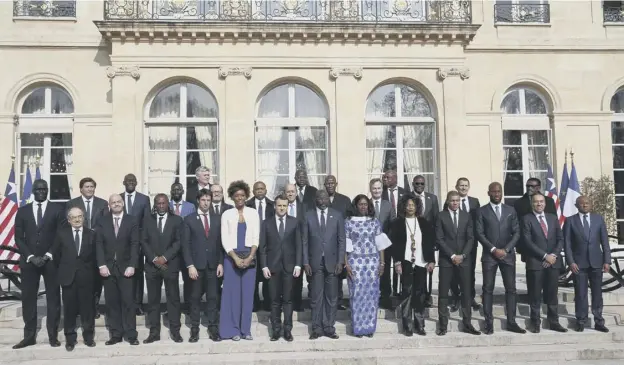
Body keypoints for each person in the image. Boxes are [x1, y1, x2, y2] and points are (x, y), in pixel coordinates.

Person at [13, 179, 63, 349]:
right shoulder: (22, 211)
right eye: (39, 189)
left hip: (51, 261)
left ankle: (52, 335)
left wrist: (48, 255)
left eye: (45, 189)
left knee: (53, 298)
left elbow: (60, 235)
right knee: (28, 298)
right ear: (33, 191)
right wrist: (30, 256)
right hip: (29, 262)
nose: (42, 191)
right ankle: (29, 336)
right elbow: (19, 237)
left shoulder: (58, 209)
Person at [475, 182, 525, 335]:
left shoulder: (510, 210)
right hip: (489, 256)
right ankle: (488, 322)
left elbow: (517, 232)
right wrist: (493, 249)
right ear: (489, 192)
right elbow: (479, 233)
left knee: (511, 289)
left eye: (499, 191)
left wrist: (507, 249)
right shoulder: (481, 211)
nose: (497, 194)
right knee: (487, 289)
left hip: (507, 255)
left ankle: (511, 321)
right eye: (494, 191)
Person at [96, 194, 140, 345]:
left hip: (126, 268)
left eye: (118, 202)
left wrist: (132, 265)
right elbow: (99, 244)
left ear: (123, 203)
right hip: (108, 268)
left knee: (128, 302)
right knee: (112, 302)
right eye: (113, 202)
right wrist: (101, 265)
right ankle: (116, 334)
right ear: (109, 205)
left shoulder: (132, 220)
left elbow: (135, 244)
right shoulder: (102, 221)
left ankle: (131, 334)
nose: (116, 204)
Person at [344, 194, 391, 338]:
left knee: (371, 296)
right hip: (355, 263)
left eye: (365, 204)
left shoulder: (374, 222)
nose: (363, 206)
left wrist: (382, 263)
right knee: (357, 295)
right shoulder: (349, 222)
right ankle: (358, 328)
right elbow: (346, 246)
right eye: (360, 204)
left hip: (372, 264)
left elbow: (380, 245)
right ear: (356, 206)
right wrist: (346, 264)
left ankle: (369, 328)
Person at [389, 193, 435, 337]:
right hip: (405, 262)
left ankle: (420, 325)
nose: (410, 207)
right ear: (404, 206)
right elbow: (395, 244)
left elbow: (429, 242)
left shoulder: (424, 222)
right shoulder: (397, 223)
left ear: (417, 206)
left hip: (421, 262)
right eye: (408, 205)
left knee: (420, 294)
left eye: (413, 205)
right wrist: (397, 262)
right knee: (407, 293)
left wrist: (431, 260)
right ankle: (407, 326)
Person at [302, 190, 346, 340]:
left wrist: (341, 261)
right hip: (314, 263)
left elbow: (342, 241)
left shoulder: (337, 215)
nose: (322, 200)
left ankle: (329, 327)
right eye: (319, 198)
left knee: (332, 297)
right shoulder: (308, 215)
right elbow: (304, 241)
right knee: (316, 296)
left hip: (333, 263)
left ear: (329, 199)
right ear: (316, 199)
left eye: (325, 197)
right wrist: (305, 262)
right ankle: (316, 328)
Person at [435, 191, 480, 336]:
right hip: (447, 260)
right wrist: (453, 255)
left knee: (466, 293)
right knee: (443, 293)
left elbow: (471, 238)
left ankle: (467, 323)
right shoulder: (441, 216)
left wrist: (463, 255)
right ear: (448, 201)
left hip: (464, 260)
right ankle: (443, 325)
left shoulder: (467, 216)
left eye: (457, 201)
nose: (455, 203)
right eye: (452, 200)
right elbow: (440, 238)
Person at [564, 196, 611, 333]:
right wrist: (571, 261)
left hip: (597, 262)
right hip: (579, 264)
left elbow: (605, 242)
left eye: (587, 203)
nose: (585, 205)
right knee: (580, 293)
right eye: (582, 203)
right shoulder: (570, 220)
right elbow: (567, 244)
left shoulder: (598, 219)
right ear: (577, 205)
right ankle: (581, 321)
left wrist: (607, 260)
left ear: (591, 204)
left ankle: (598, 321)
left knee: (597, 293)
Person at [258, 194, 302, 342]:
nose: (282, 208)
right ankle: (276, 330)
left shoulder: (294, 222)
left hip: (289, 267)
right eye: (279, 205)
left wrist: (298, 264)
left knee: (288, 300)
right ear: (275, 206)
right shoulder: (266, 223)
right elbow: (262, 247)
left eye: (284, 205)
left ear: (287, 206)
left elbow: (299, 245)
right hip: (272, 267)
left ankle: (288, 330)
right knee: (274, 300)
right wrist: (264, 266)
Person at [220, 181, 260, 341]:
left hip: (250, 256)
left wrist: (250, 257)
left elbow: (256, 237)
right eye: (236, 196)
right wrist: (235, 258)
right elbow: (225, 238)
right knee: (233, 295)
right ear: (232, 197)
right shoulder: (227, 214)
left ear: (246, 196)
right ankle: (233, 330)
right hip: (231, 258)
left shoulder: (253, 213)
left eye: (242, 195)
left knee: (247, 295)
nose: (240, 198)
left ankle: (246, 330)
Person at [522, 192, 567, 333]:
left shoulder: (553, 218)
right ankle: (535, 322)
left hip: (553, 262)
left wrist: (553, 255)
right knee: (535, 294)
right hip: (536, 262)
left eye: (541, 201)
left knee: (552, 294)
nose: (539, 204)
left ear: (545, 203)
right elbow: (527, 241)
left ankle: (554, 321)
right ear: (532, 203)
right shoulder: (526, 219)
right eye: (536, 202)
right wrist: (544, 256)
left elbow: (560, 239)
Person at [141, 194, 184, 344]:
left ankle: (175, 331)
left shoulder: (177, 220)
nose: (160, 206)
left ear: (168, 204)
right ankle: (154, 332)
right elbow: (144, 241)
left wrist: (164, 258)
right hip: (152, 266)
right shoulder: (147, 220)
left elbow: (178, 242)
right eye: (158, 203)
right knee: (153, 300)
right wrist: (154, 259)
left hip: (169, 265)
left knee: (173, 299)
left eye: (163, 203)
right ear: (154, 204)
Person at [183, 188, 224, 342]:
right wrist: (190, 265)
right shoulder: (189, 219)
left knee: (213, 297)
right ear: (198, 201)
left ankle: (213, 328)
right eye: (203, 200)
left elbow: (221, 243)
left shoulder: (217, 219)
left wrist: (221, 263)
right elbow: (185, 245)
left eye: (208, 200)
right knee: (194, 298)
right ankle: (194, 329)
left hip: (213, 266)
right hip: (196, 267)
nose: (206, 203)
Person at [53, 207, 97, 351]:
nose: (77, 219)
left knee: (87, 309)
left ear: (84, 218)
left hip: (86, 278)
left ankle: (88, 337)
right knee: (70, 310)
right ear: (69, 220)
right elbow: (57, 256)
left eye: (80, 216)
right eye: (74, 217)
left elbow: (95, 257)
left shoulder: (91, 234)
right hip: (68, 278)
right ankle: (70, 339)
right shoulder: (61, 234)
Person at [66, 177, 108, 319]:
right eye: (87, 186)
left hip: (96, 244)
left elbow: (104, 223)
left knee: (96, 278)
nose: (90, 189)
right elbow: (69, 223)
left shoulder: (102, 204)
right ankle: (78, 307)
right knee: (79, 277)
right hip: (78, 244)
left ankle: (94, 307)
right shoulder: (72, 203)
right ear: (81, 189)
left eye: (92, 186)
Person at [444, 177, 481, 311]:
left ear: (469, 187)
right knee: (454, 273)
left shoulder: (475, 202)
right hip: (454, 245)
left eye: (466, 185)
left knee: (470, 272)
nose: (463, 188)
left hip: (470, 243)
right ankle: (456, 298)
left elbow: (478, 222)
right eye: (461, 185)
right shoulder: (450, 201)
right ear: (456, 186)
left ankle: (470, 298)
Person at [120, 173, 151, 315]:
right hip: (121, 242)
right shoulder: (117, 198)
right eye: (128, 181)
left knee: (137, 273)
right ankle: (125, 302)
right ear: (124, 182)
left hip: (138, 243)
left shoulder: (144, 199)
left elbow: (146, 223)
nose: (131, 182)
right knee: (122, 273)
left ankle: (138, 304)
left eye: (133, 181)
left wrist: (142, 242)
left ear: (137, 182)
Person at [246, 181, 274, 312]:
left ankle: (268, 303)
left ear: (266, 190)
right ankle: (254, 304)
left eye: (262, 188)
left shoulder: (272, 205)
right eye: (257, 189)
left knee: (268, 275)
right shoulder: (247, 206)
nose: (260, 191)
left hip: (269, 245)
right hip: (252, 244)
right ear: (253, 191)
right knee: (253, 276)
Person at [369, 178, 394, 310]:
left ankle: (385, 298)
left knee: (385, 272)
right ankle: (372, 298)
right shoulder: (365, 204)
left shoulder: (387, 204)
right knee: (371, 272)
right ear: (370, 189)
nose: (377, 191)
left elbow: (392, 224)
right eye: (374, 188)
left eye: (379, 188)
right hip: (369, 246)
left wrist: (385, 239)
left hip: (384, 245)